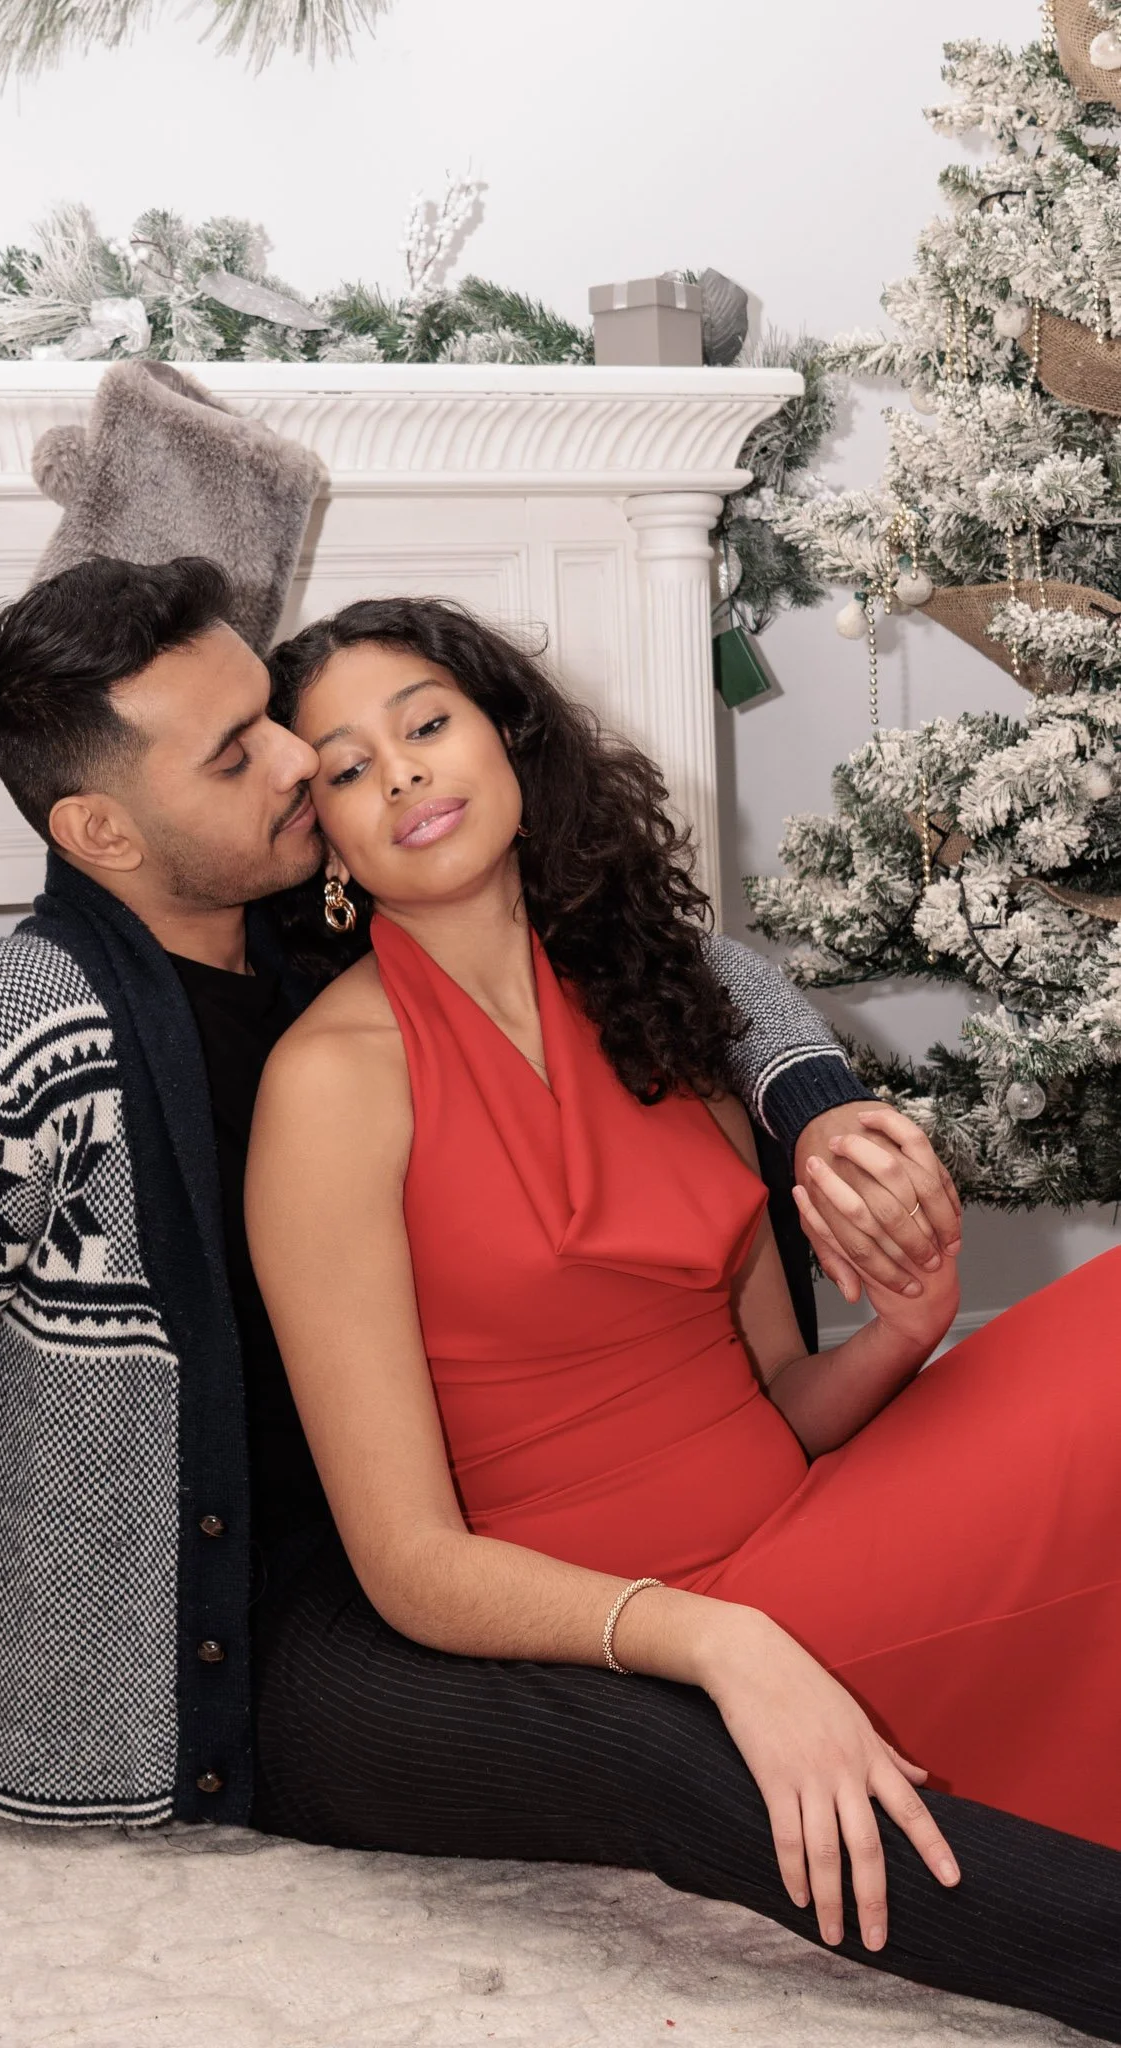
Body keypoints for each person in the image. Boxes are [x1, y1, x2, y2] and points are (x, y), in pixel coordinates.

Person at [0, 558, 1113, 2045]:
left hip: (543, 1544)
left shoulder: (328, 922)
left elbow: (705, 977)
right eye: (264, 753)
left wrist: (825, 1120)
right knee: (688, 1764)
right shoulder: (19, 1050)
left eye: (319, 736)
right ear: (105, 831)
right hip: (247, 1635)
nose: (301, 764)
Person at [249, 592, 1121, 2041]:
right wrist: (723, 1646)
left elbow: (773, 1397)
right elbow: (406, 1562)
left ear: (512, 743)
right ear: (325, 843)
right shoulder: (332, 1085)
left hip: (816, 1530)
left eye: (426, 724)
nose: (398, 774)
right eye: (344, 767)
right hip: (682, 1627)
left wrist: (907, 1335)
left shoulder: (655, 1003)